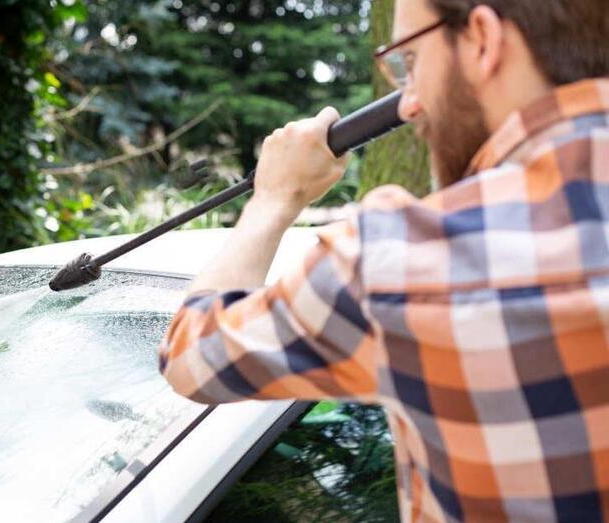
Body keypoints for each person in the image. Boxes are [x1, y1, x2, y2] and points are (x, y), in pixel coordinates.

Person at [157, 0, 609, 521]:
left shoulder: (400, 265)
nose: (409, 104)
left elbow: (192, 354)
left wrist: (273, 198)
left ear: (483, 38)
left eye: (411, 62)